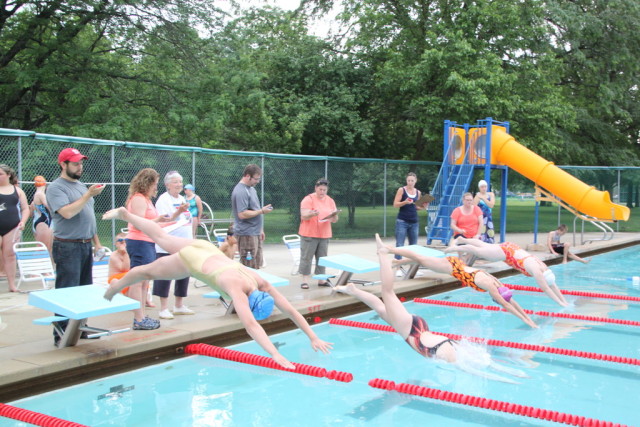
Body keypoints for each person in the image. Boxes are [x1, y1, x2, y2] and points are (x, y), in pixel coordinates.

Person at [102, 206, 333, 369]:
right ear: (251, 304)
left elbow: (290, 310)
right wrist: (274, 354)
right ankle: (115, 287)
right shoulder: (237, 289)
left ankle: (125, 215)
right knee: (145, 271)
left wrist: (313, 336)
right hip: (193, 262)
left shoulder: (260, 282)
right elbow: (251, 326)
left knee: (160, 238)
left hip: (205, 248)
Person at [387, 241, 538, 328]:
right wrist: (526, 321)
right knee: (419, 257)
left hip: (456, 263)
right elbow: (507, 306)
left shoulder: (497, 282)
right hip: (451, 267)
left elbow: (511, 301)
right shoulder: (491, 286)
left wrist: (528, 317)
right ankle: (390, 250)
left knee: (422, 260)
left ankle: (398, 262)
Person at [46, 148, 105, 345]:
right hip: (67, 247)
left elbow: (88, 218)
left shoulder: (81, 186)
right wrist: (88, 194)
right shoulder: (56, 188)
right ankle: (62, 335)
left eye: (81, 163)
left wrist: (97, 243)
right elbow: (67, 213)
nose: (80, 167)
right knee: (67, 292)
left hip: (85, 245)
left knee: (84, 292)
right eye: (75, 163)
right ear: (63, 164)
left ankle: (78, 330)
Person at [444, 237, 569, 307]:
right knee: (478, 251)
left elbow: (552, 285)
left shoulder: (544, 267)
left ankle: (461, 239)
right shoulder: (536, 270)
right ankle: (454, 248)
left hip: (511, 247)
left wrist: (564, 301)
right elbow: (546, 289)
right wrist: (560, 304)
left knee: (484, 245)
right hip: (507, 253)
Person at [124, 168, 168, 331]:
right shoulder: (138, 199)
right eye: (155, 184)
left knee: (144, 282)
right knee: (137, 282)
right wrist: (157, 219)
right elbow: (137, 223)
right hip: (139, 242)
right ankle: (138, 318)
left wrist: (168, 220)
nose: (156, 187)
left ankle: (141, 315)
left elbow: (150, 222)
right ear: (147, 183)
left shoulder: (146, 199)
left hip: (147, 242)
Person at [153, 171, 193, 320]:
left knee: (184, 272)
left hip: (183, 244)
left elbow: (186, 219)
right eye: (175, 182)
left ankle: (179, 304)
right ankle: (163, 308)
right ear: (167, 184)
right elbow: (164, 220)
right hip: (168, 244)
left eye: (180, 182)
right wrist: (178, 212)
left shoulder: (182, 198)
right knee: (165, 274)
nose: (179, 185)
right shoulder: (163, 199)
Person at [298, 178, 339, 289]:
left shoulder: (330, 200)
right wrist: (311, 214)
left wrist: (334, 216)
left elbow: (335, 219)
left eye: (324, 190)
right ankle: (305, 280)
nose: (322, 192)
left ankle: (321, 279)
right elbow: (303, 215)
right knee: (307, 257)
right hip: (309, 233)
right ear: (316, 188)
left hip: (324, 233)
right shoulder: (308, 199)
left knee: (322, 257)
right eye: (320, 189)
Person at [231, 164, 273, 269]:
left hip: (255, 232)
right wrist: (261, 211)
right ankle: (249, 286)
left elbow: (255, 209)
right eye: (256, 179)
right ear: (247, 176)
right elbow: (242, 214)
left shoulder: (251, 189)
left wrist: (260, 229)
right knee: (249, 266)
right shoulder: (240, 191)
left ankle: (256, 285)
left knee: (257, 264)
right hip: (246, 234)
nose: (258, 181)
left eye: (259, 179)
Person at [0, 164, 30, 292]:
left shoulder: (17, 191)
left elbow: (25, 209)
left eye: (0, 174)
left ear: (8, 175)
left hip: (12, 227)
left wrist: (23, 222)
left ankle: (11, 285)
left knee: (10, 255)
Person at [393, 172, 428, 262]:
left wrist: (423, 206)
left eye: (412, 180)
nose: (410, 182)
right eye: (408, 180)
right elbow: (395, 204)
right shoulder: (402, 190)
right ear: (406, 181)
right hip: (402, 221)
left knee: (413, 245)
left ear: (415, 181)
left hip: (414, 221)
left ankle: (412, 267)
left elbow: (416, 207)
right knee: (400, 244)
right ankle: (398, 267)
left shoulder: (418, 192)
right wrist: (404, 202)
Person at [31, 175, 53, 254]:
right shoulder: (40, 195)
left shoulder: (36, 195)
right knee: (43, 249)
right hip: (43, 222)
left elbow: (31, 211)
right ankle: (37, 265)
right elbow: (50, 207)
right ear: (45, 184)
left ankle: (44, 265)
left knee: (45, 248)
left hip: (40, 221)